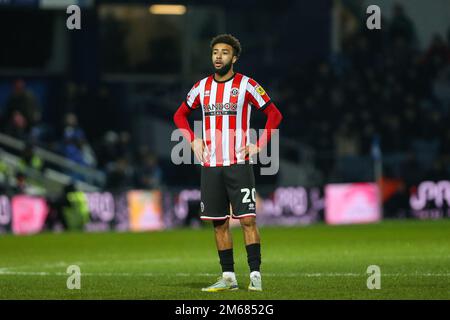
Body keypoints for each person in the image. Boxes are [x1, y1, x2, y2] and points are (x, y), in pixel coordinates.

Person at [173, 34, 282, 292]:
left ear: (234, 57)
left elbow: (274, 114)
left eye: (224, 52)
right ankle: (229, 278)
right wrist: (192, 140)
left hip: (238, 163)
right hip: (211, 166)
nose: (218, 56)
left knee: (247, 221)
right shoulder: (201, 87)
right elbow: (180, 115)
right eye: (215, 52)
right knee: (219, 223)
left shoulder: (247, 85)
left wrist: (258, 145)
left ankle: (255, 274)